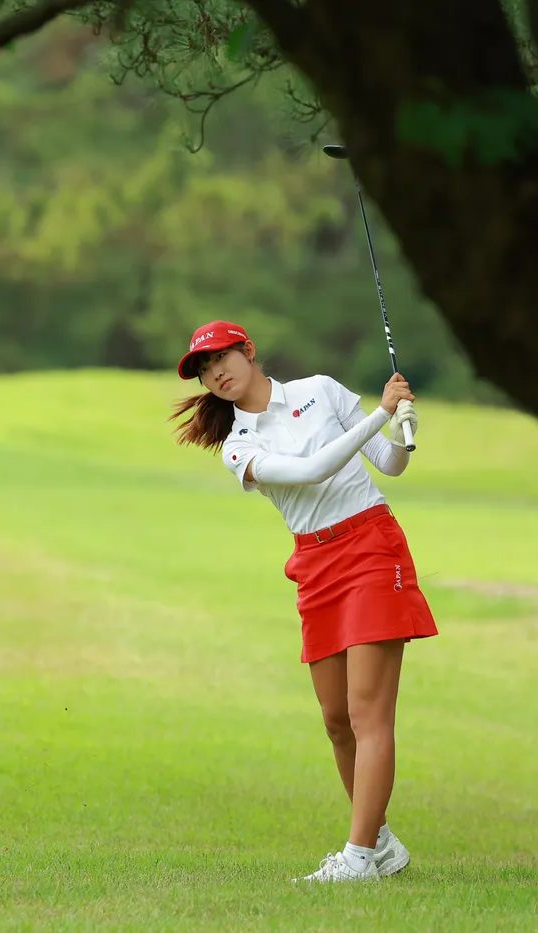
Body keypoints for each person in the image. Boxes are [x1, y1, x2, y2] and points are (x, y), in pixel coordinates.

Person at [168, 320, 439, 884]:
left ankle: (359, 857)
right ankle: (382, 843)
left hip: (370, 547)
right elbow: (313, 472)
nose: (215, 373)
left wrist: (400, 425)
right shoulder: (239, 445)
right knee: (337, 720)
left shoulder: (321, 390)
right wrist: (381, 413)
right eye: (204, 370)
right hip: (315, 565)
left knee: (367, 713)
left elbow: (389, 464)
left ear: (248, 350)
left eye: (221, 358)